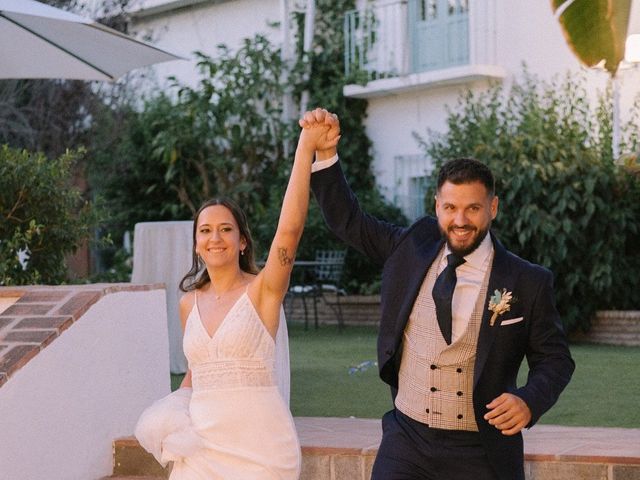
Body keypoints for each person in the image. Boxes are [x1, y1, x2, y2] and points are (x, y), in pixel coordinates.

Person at [300, 110, 575, 480]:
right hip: (407, 438)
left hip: (481, 449)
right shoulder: (412, 246)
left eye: (472, 208)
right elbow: (350, 221)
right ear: (436, 207)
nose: (460, 220)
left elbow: (556, 360)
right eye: (450, 208)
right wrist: (326, 155)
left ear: (492, 208)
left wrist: (528, 400)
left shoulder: (527, 280)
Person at [134, 108, 340, 479]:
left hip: (260, 449)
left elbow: (289, 230)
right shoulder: (187, 305)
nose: (215, 238)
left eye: (225, 230)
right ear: (196, 243)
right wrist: (172, 412)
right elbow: (199, 373)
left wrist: (305, 149)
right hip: (201, 450)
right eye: (205, 230)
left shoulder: (263, 292)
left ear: (242, 241)